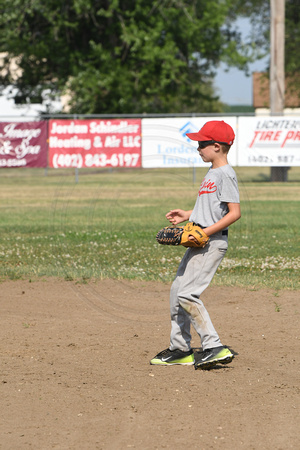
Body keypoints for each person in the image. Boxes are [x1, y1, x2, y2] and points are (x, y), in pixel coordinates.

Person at [150, 120, 241, 370]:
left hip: (211, 243)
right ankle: (180, 349)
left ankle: (213, 346)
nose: (197, 147)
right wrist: (188, 215)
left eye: (201, 143)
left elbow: (234, 213)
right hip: (199, 242)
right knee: (176, 291)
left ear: (217, 146)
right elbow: (211, 208)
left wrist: (203, 233)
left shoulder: (226, 174)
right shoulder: (212, 172)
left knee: (187, 294)